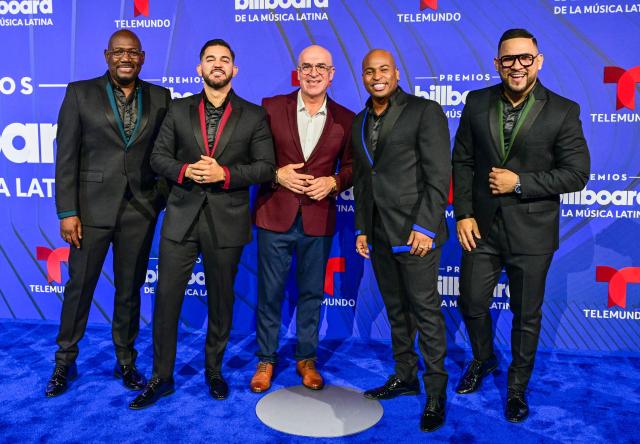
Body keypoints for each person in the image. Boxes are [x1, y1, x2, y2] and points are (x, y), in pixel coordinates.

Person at [452, 28, 590, 422]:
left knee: (526, 316)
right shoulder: (476, 102)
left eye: (525, 58)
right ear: (497, 63)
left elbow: (577, 173)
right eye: (508, 59)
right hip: (482, 227)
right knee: (471, 302)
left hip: (532, 234)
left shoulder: (564, 110)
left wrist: (522, 183)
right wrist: (463, 212)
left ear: (538, 61)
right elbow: (461, 161)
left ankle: (516, 389)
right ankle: (483, 359)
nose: (517, 66)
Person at [129, 39, 275, 409]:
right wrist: (185, 170)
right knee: (165, 300)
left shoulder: (254, 115)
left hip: (226, 219)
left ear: (234, 70)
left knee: (222, 301)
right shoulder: (177, 110)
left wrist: (224, 173)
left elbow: (265, 167)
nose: (217, 65)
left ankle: (214, 370)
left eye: (225, 59)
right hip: (181, 217)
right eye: (210, 59)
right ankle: (161, 376)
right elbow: (158, 157)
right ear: (199, 69)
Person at [46, 30, 171, 398]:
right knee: (79, 288)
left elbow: (165, 153)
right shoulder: (79, 93)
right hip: (90, 211)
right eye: (118, 52)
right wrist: (68, 212)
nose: (125, 58)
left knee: (130, 290)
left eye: (132, 52)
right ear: (106, 56)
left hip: (139, 209)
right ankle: (64, 363)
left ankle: (126, 361)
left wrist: (157, 198)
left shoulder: (161, 98)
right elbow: (66, 157)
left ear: (143, 57)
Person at [352, 49, 451, 432]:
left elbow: (438, 173)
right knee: (396, 311)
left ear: (396, 72)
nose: (377, 76)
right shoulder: (360, 120)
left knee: (425, 313)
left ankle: (436, 391)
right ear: (363, 76)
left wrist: (426, 227)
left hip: (416, 235)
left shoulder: (424, 111)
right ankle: (405, 376)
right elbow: (364, 180)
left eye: (384, 69)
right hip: (379, 234)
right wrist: (362, 227)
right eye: (369, 71)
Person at [251, 45, 354, 393]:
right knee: (269, 293)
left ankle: (306, 358)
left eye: (320, 67)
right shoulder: (270, 108)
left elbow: (354, 166)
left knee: (312, 293)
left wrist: (335, 181)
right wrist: (276, 175)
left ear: (332, 74)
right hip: (274, 214)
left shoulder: (347, 118)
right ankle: (266, 358)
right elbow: (254, 157)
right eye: (307, 66)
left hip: (318, 218)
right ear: (298, 71)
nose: (313, 73)